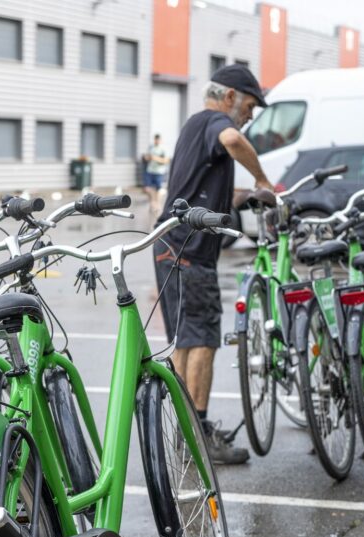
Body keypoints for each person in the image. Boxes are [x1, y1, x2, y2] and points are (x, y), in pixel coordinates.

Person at [152, 64, 274, 465]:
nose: (249, 116)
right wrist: (264, 180)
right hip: (190, 250)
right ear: (229, 97)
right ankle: (199, 435)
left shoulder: (192, 126)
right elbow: (234, 140)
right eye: (250, 106)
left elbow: (204, 191)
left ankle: (188, 433)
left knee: (186, 342)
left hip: (169, 244)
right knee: (202, 339)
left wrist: (245, 197)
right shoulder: (215, 122)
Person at [142, 134, 169, 217]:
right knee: (148, 188)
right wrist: (147, 157)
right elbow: (146, 157)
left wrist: (155, 158)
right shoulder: (151, 147)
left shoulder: (163, 149)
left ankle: (157, 205)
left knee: (158, 189)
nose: (156, 141)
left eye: (158, 140)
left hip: (159, 172)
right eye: (155, 140)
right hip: (150, 170)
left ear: (160, 140)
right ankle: (152, 203)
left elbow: (166, 160)